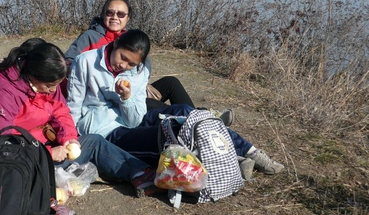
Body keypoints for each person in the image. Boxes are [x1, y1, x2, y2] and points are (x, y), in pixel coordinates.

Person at [0, 38, 163, 215]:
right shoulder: (3, 92)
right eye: (50, 86)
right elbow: (5, 142)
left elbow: (61, 112)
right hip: (21, 159)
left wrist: (69, 138)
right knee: (26, 177)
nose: (53, 91)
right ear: (33, 75)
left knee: (92, 141)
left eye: (56, 86)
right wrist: (47, 154)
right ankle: (51, 212)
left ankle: (141, 173)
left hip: (48, 148)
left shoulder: (46, 82)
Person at [66, 29, 285, 181]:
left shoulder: (138, 72)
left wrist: (127, 97)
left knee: (185, 112)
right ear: (115, 44)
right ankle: (234, 159)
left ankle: (250, 151)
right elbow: (74, 105)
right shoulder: (85, 62)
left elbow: (134, 118)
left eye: (131, 63)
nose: (123, 65)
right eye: (122, 57)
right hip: (105, 129)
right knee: (166, 136)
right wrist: (71, 139)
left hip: (131, 118)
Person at [65, 0, 206, 113]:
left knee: (171, 82)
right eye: (110, 13)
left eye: (120, 14)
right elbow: (69, 62)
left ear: (128, 18)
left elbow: (145, 64)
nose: (115, 17)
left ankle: (196, 115)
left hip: (134, 88)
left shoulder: (132, 38)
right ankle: (192, 117)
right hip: (108, 97)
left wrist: (137, 80)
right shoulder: (90, 37)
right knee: (151, 105)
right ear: (103, 15)